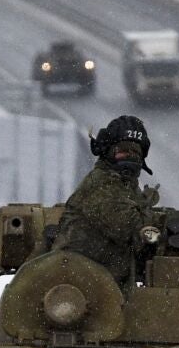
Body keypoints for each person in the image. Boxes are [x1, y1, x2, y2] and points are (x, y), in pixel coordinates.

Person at [53, 115, 161, 287]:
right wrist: (146, 209)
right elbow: (133, 230)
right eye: (123, 150)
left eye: (136, 152)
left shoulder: (124, 185)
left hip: (102, 281)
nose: (130, 157)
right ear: (107, 151)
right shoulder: (102, 185)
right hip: (77, 283)